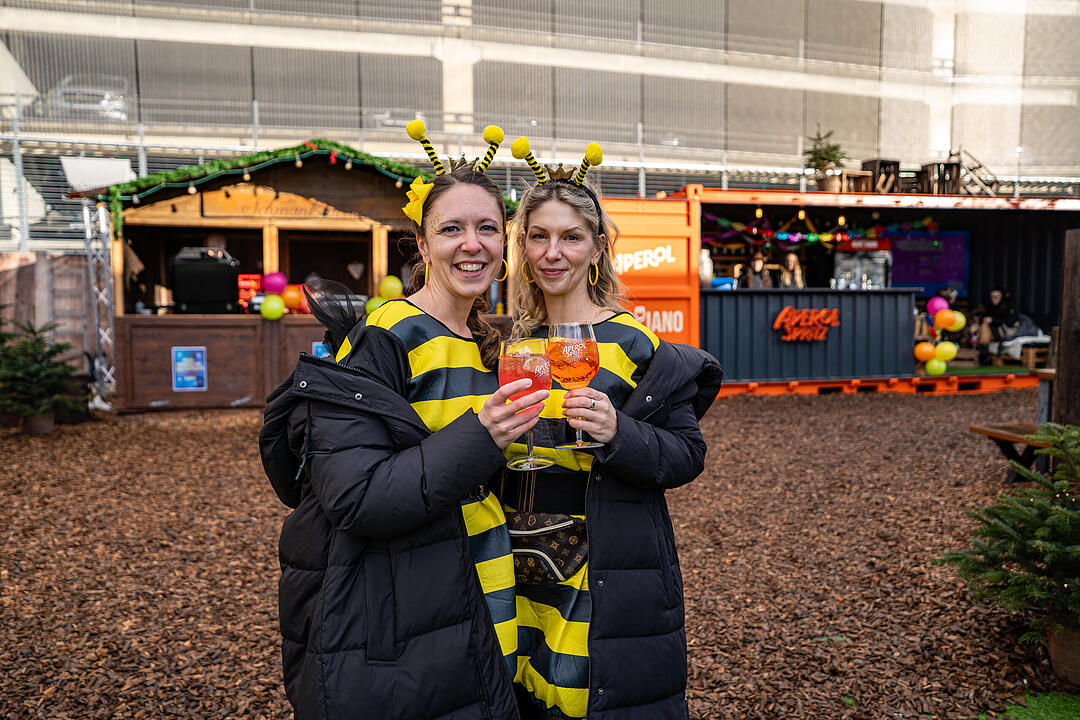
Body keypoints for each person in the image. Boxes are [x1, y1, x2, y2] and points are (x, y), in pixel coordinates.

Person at [259, 125, 543, 719]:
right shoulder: (386, 335)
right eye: (451, 229)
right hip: (414, 598)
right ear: (422, 244)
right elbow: (356, 496)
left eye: (487, 228)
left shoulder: (486, 341)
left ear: (505, 242)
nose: (472, 245)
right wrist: (483, 434)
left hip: (485, 580)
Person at [507, 141, 723, 719]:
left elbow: (686, 454)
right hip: (513, 564)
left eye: (571, 237)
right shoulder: (512, 344)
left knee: (583, 697)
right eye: (538, 237)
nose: (553, 253)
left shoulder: (635, 344)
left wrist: (617, 431)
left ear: (598, 247)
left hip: (596, 564)